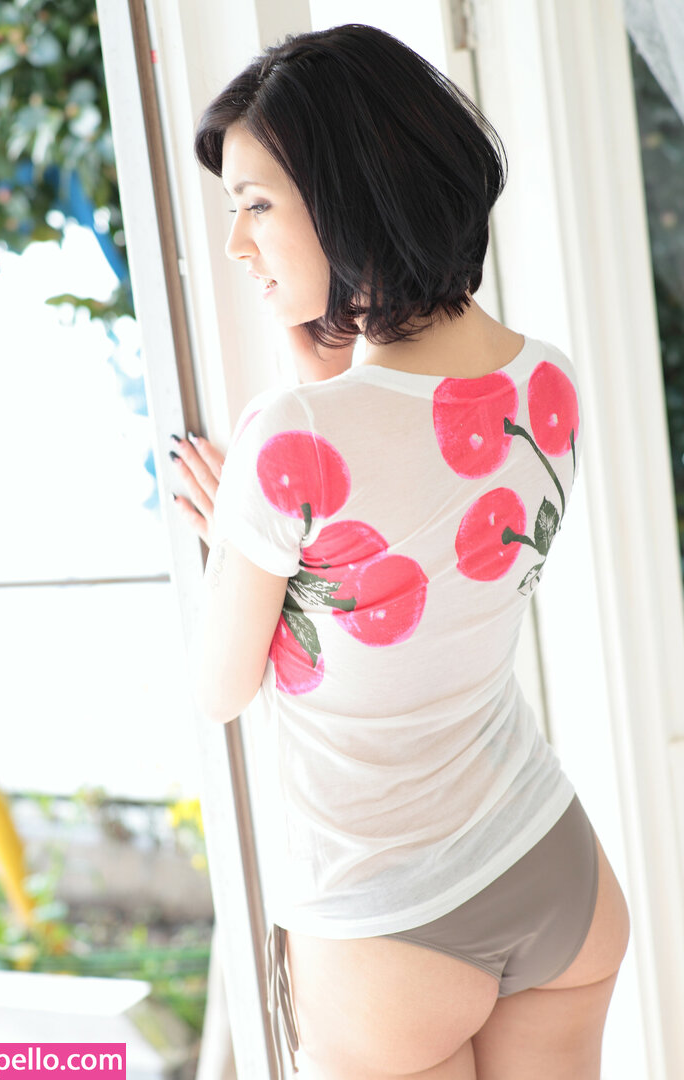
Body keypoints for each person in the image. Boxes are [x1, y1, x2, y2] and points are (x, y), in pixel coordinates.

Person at [170, 23, 630, 1080]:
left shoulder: (290, 438)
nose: (236, 245)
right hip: (553, 867)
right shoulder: (549, 382)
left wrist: (244, 531)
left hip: (386, 926)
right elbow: (419, 500)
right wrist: (321, 402)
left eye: (254, 205)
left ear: (348, 198)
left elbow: (220, 690)